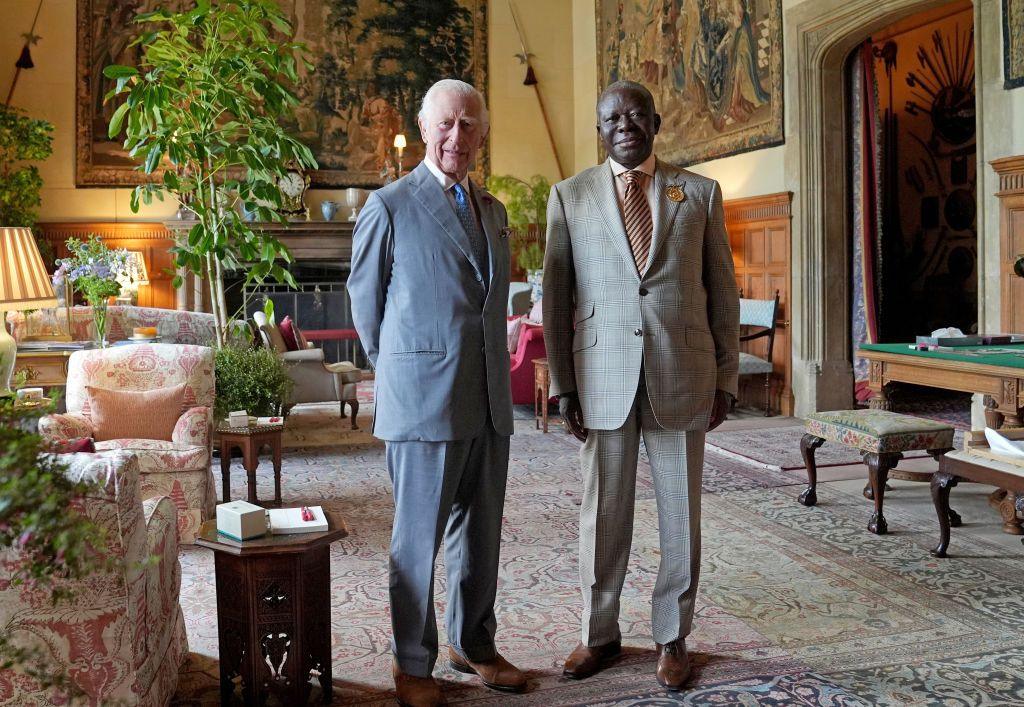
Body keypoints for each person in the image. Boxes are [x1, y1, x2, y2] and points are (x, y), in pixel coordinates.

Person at [542, 79, 739, 691]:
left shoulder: (698, 193)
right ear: (599, 130)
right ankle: (598, 634)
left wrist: (727, 377)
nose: (623, 124)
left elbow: (722, 289)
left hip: (682, 373)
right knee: (602, 514)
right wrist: (564, 386)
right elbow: (557, 299)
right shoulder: (569, 196)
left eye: (635, 114)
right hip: (600, 378)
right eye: (610, 117)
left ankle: (671, 636)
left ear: (655, 122)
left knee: (681, 514)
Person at [348, 79, 527, 706]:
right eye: (447, 124)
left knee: (480, 536)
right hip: (422, 399)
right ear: (425, 129)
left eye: (470, 125)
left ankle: (473, 643)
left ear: (482, 134)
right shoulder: (390, 206)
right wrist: (399, 370)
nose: (459, 137)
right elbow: (364, 305)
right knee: (416, 538)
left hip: (488, 398)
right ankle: (413, 661)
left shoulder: (496, 212)